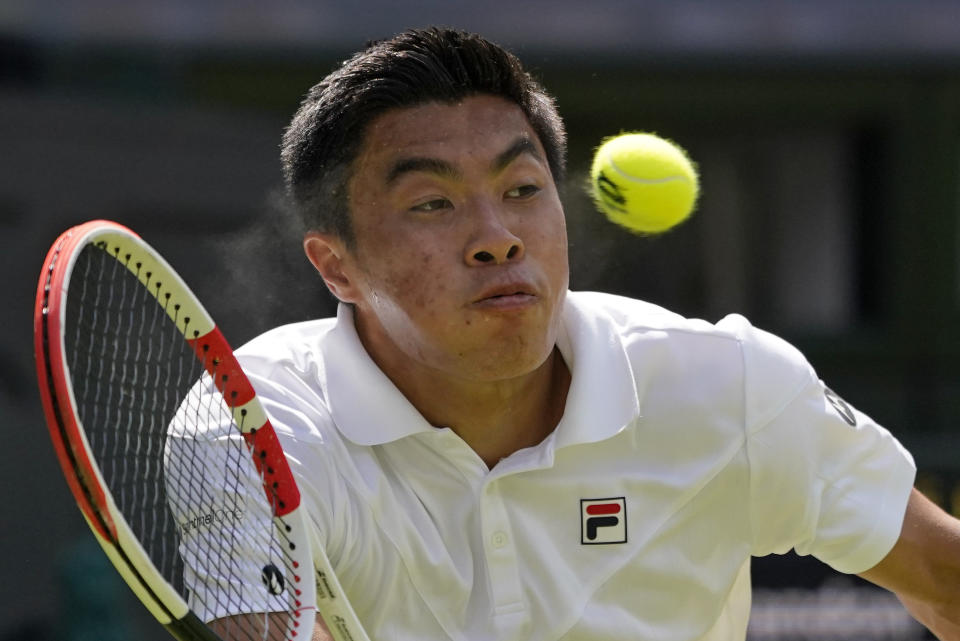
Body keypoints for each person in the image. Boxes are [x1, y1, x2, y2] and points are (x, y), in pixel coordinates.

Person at [200, 27, 960, 640]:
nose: (497, 238)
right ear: (337, 267)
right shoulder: (247, 425)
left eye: (523, 190)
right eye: (433, 203)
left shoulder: (729, 382)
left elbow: (944, 576)